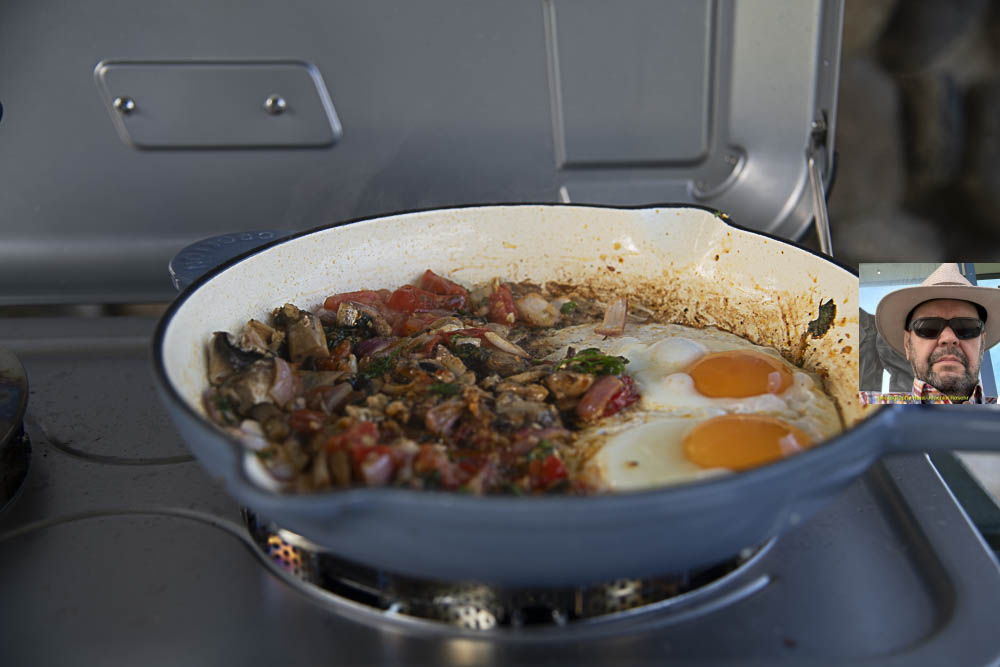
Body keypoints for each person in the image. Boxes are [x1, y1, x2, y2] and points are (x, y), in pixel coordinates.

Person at [859, 263, 1000, 405]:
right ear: (907, 344)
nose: (949, 338)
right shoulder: (861, 410)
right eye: (928, 327)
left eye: (966, 328)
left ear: (982, 344)